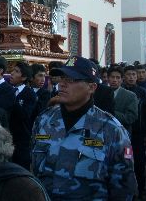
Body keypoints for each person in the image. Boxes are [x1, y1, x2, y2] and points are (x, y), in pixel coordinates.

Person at [32, 56, 137, 200]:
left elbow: (124, 187)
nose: (62, 84)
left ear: (92, 87)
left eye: (71, 80)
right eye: (61, 79)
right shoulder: (44, 120)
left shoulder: (111, 129)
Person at [122, 64, 146, 199]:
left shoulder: (143, 93)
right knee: (127, 160)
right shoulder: (120, 92)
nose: (132, 77)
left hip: (138, 135)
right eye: (128, 75)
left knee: (140, 162)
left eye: (133, 75)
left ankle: (141, 188)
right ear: (124, 77)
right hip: (125, 135)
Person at [8, 61, 37, 170]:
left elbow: (24, 115)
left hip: (21, 141)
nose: (12, 73)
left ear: (24, 77)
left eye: (16, 72)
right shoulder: (8, 90)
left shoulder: (29, 94)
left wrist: (12, 100)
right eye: (12, 70)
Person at [107, 66, 138, 135]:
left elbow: (131, 117)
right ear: (108, 78)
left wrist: (112, 113)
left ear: (122, 79)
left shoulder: (130, 96)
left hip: (122, 134)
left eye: (118, 77)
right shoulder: (101, 92)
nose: (114, 80)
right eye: (112, 77)